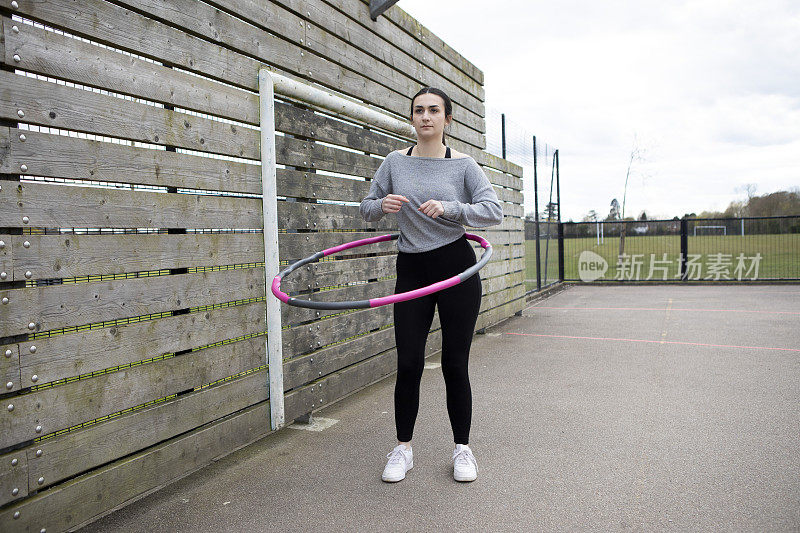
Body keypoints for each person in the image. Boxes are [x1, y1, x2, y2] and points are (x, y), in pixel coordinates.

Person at [359, 87, 503, 483]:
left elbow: (493, 211)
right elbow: (367, 206)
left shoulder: (463, 165)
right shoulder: (393, 162)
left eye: (434, 111)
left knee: (455, 364)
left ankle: (463, 450)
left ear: (447, 119)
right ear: (412, 118)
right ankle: (403, 449)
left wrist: (452, 207)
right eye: (419, 110)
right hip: (412, 270)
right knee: (408, 363)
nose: (425, 117)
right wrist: (381, 206)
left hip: (457, 267)